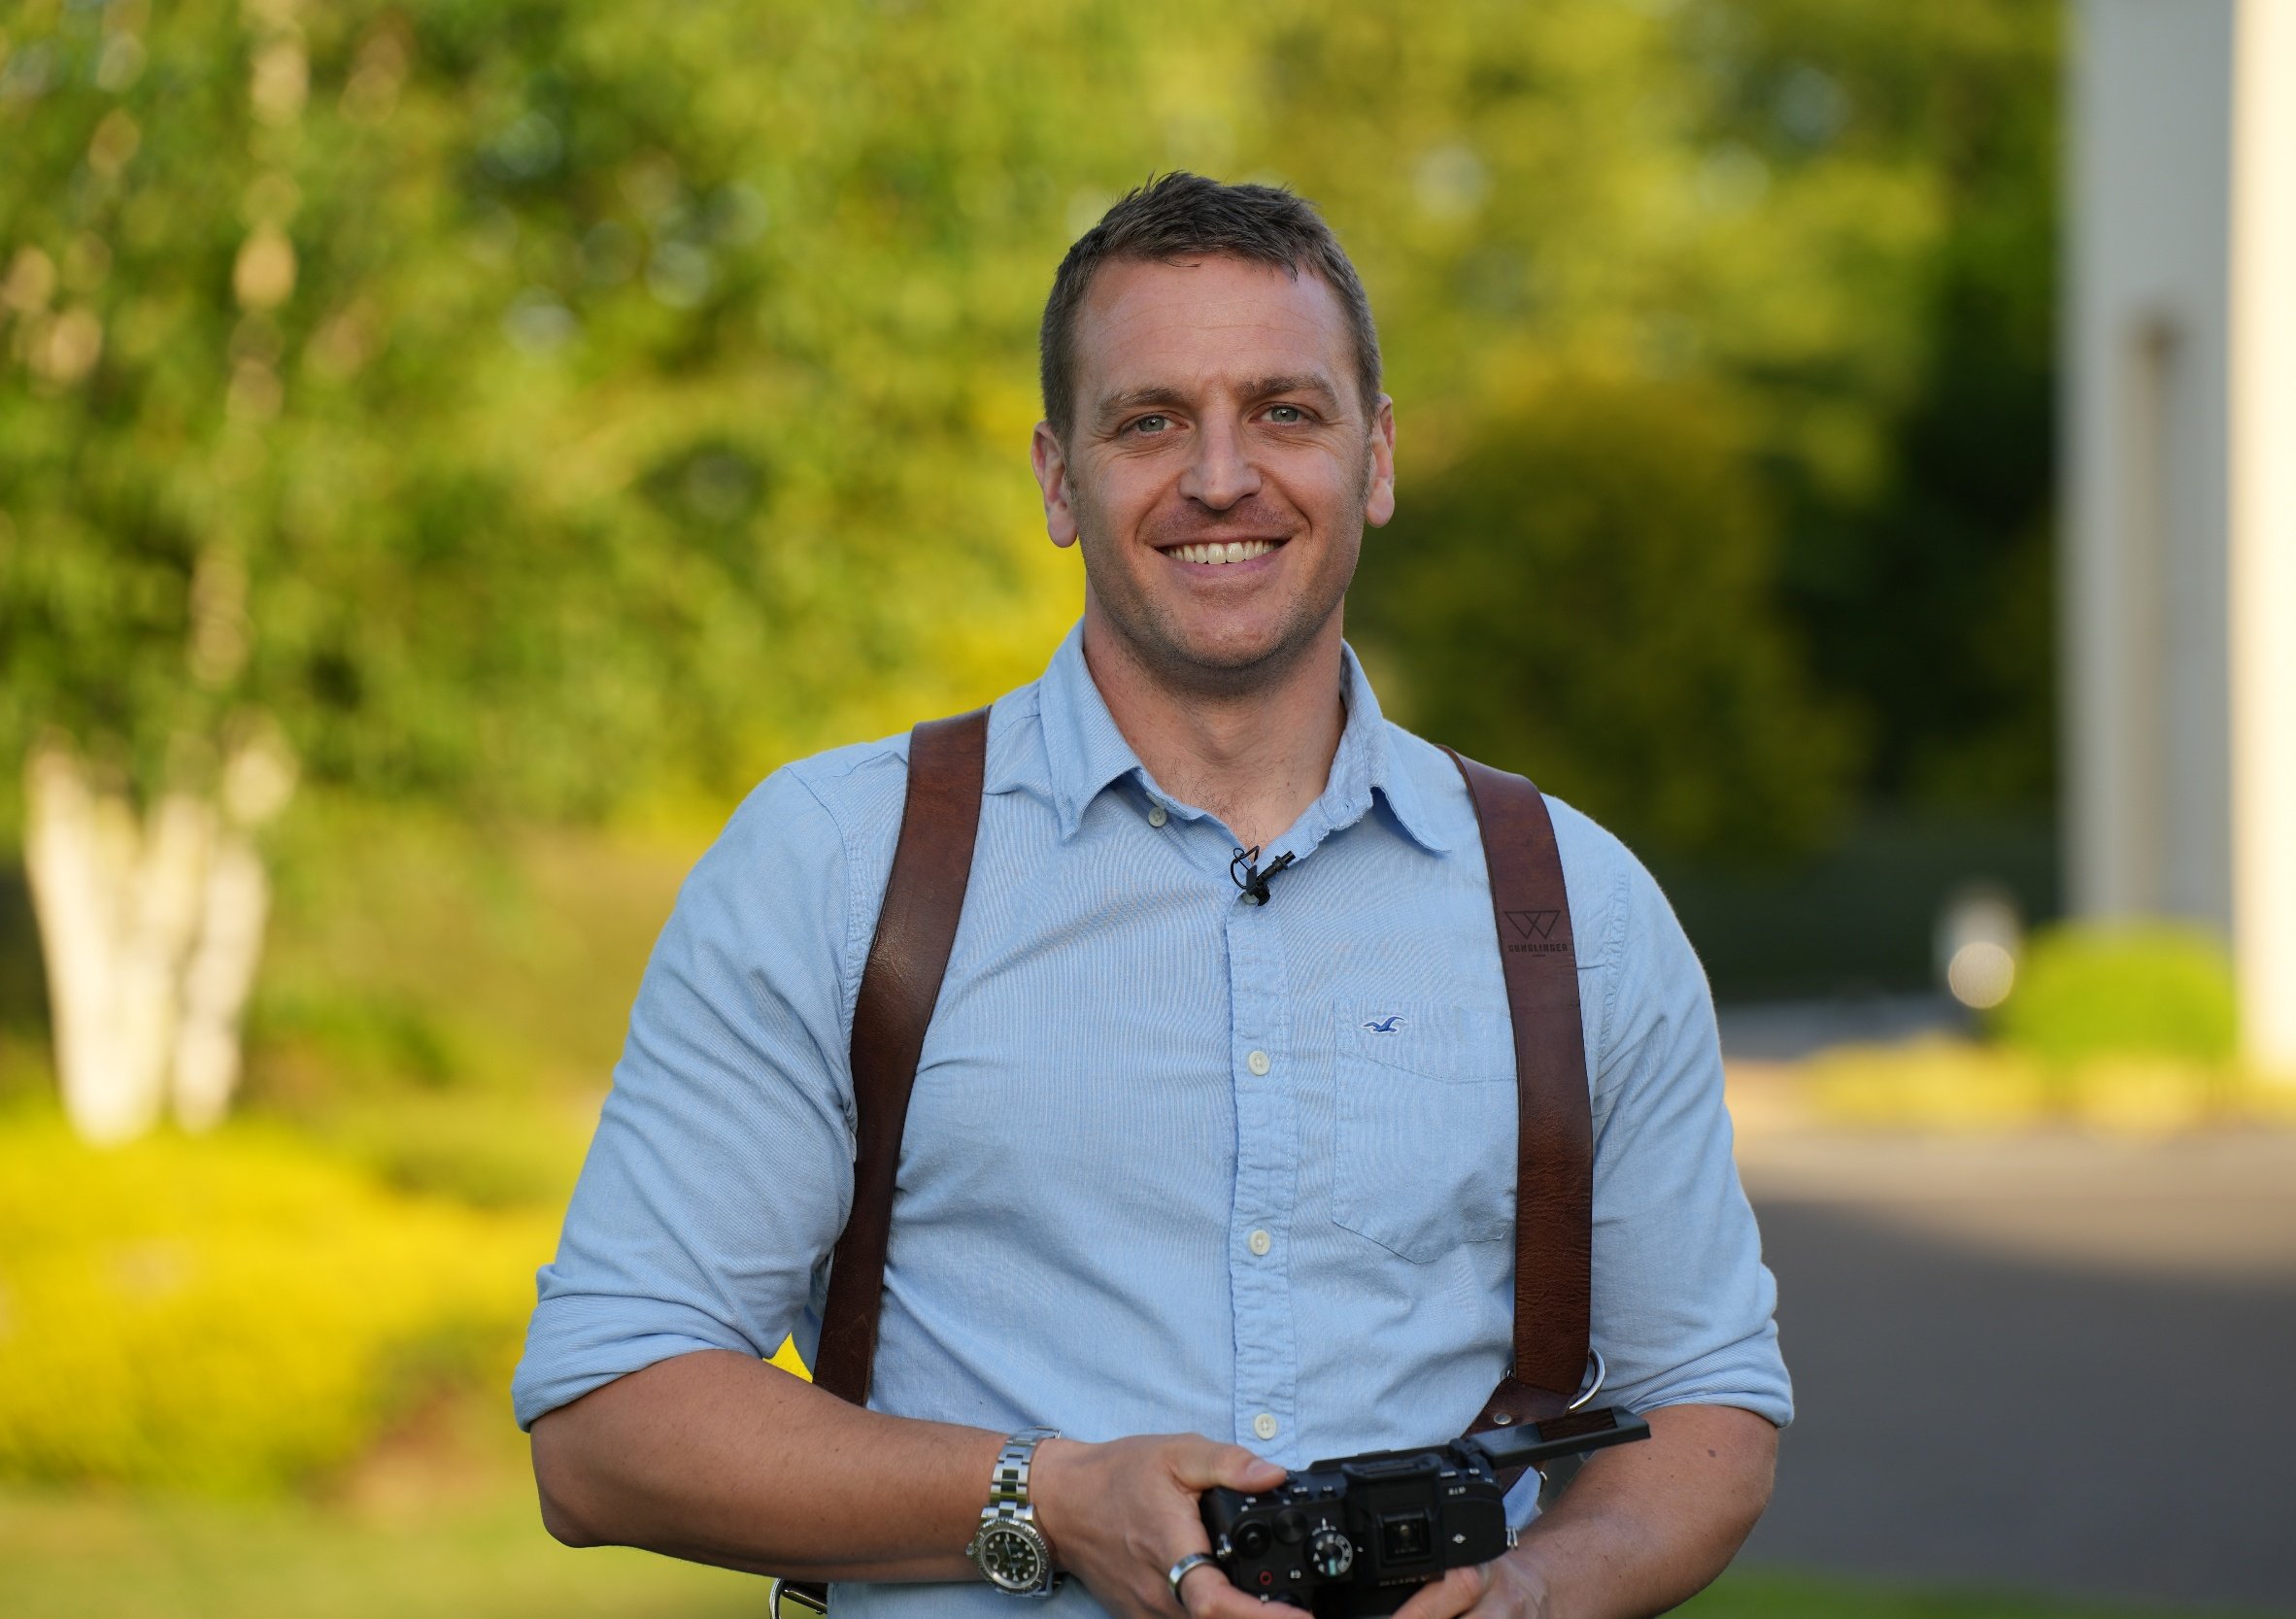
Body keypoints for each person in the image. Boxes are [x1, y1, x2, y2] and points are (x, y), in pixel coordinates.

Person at [515, 173, 1790, 1619]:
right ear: (1060, 482)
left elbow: (1707, 1404)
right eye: (1152, 421)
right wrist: (1045, 1501)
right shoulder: (836, 862)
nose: (1224, 477)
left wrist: (1539, 1595)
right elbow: (606, 1427)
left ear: (1376, 460)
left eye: (1287, 413)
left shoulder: (1576, 906)